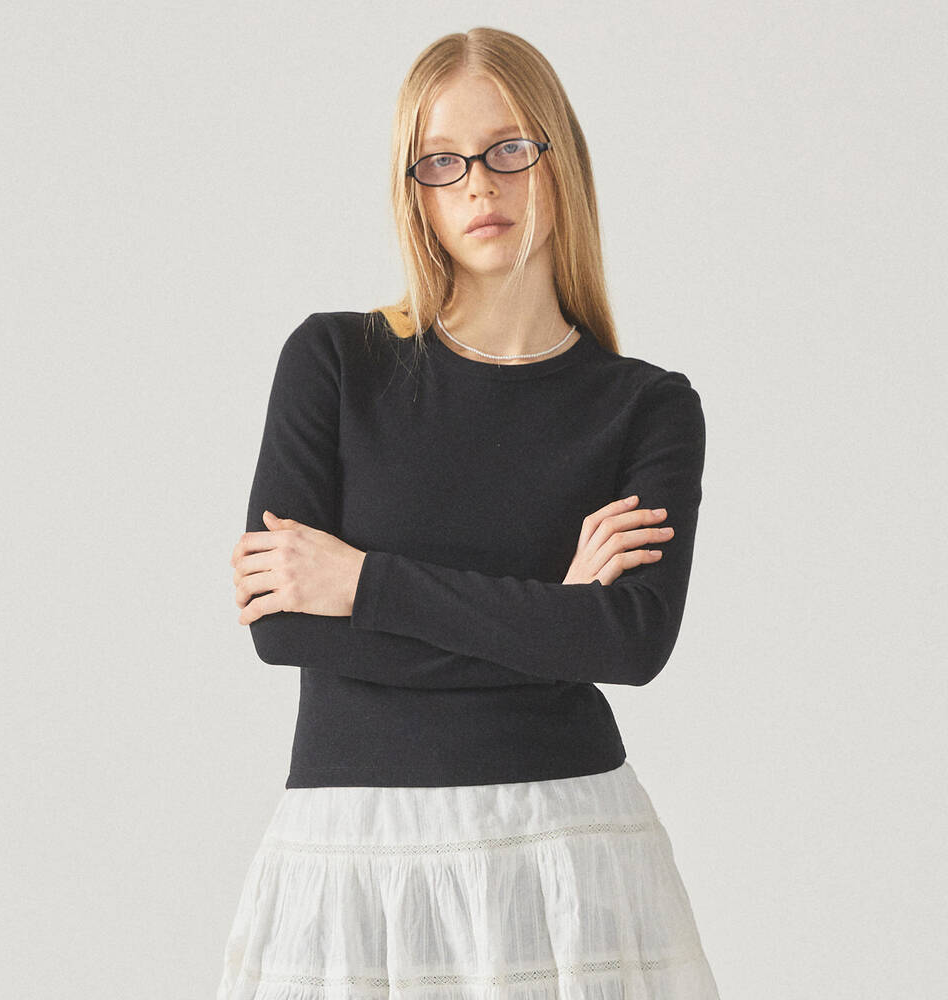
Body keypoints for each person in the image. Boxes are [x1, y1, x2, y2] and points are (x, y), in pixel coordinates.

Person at [218, 25, 721, 1000]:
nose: (478, 185)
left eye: (506, 149)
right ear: (415, 188)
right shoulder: (335, 363)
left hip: (563, 850)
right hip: (354, 859)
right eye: (442, 161)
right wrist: (552, 622)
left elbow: (629, 644)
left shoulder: (647, 407)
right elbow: (282, 629)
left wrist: (362, 583)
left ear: (558, 158)